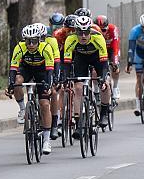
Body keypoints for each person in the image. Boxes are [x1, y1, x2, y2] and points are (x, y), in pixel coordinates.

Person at [6, 24, 55, 154]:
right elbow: (13, 68)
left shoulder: (46, 47)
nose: (31, 44)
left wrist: (48, 86)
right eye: (28, 41)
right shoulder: (20, 48)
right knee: (17, 82)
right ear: (24, 41)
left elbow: (50, 70)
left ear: (39, 40)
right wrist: (10, 85)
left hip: (42, 71)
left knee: (44, 104)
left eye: (34, 41)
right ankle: (22, 109)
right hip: (26, 68)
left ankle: (46, 140)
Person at [63, 16, 110, 135]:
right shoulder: (70, 39)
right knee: (78, 88)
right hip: (81, 59)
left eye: (86, 32)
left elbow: (104, 63)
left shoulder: (98, 37)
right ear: (75, 31)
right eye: (80, 32)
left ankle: (104, 112)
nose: (83, 36)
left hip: (97, 59)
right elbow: (67, 63)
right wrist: (65, 78)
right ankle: (79, 124)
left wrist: (103, 79)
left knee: (106, 84)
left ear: (90, 30)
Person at [36, 22, 61, 141]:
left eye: (42, 38)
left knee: (54, 92)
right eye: (38, 38)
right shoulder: (29, 44)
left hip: (48, 68)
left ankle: (55, 123)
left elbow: (56, 61)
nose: (40, 41)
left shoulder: (51, 42)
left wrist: (56, 78)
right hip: (34, 68)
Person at [96, 15, 121, 100]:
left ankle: (115, 87)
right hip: (99, 50)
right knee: (94, 71)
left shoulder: (112, 29)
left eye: (103, 30)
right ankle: (96, 91)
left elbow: (115, 47)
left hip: (111, 50)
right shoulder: (92, 32)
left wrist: (115, 62)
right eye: (99, 30)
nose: (102, 33)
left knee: (115, 68)